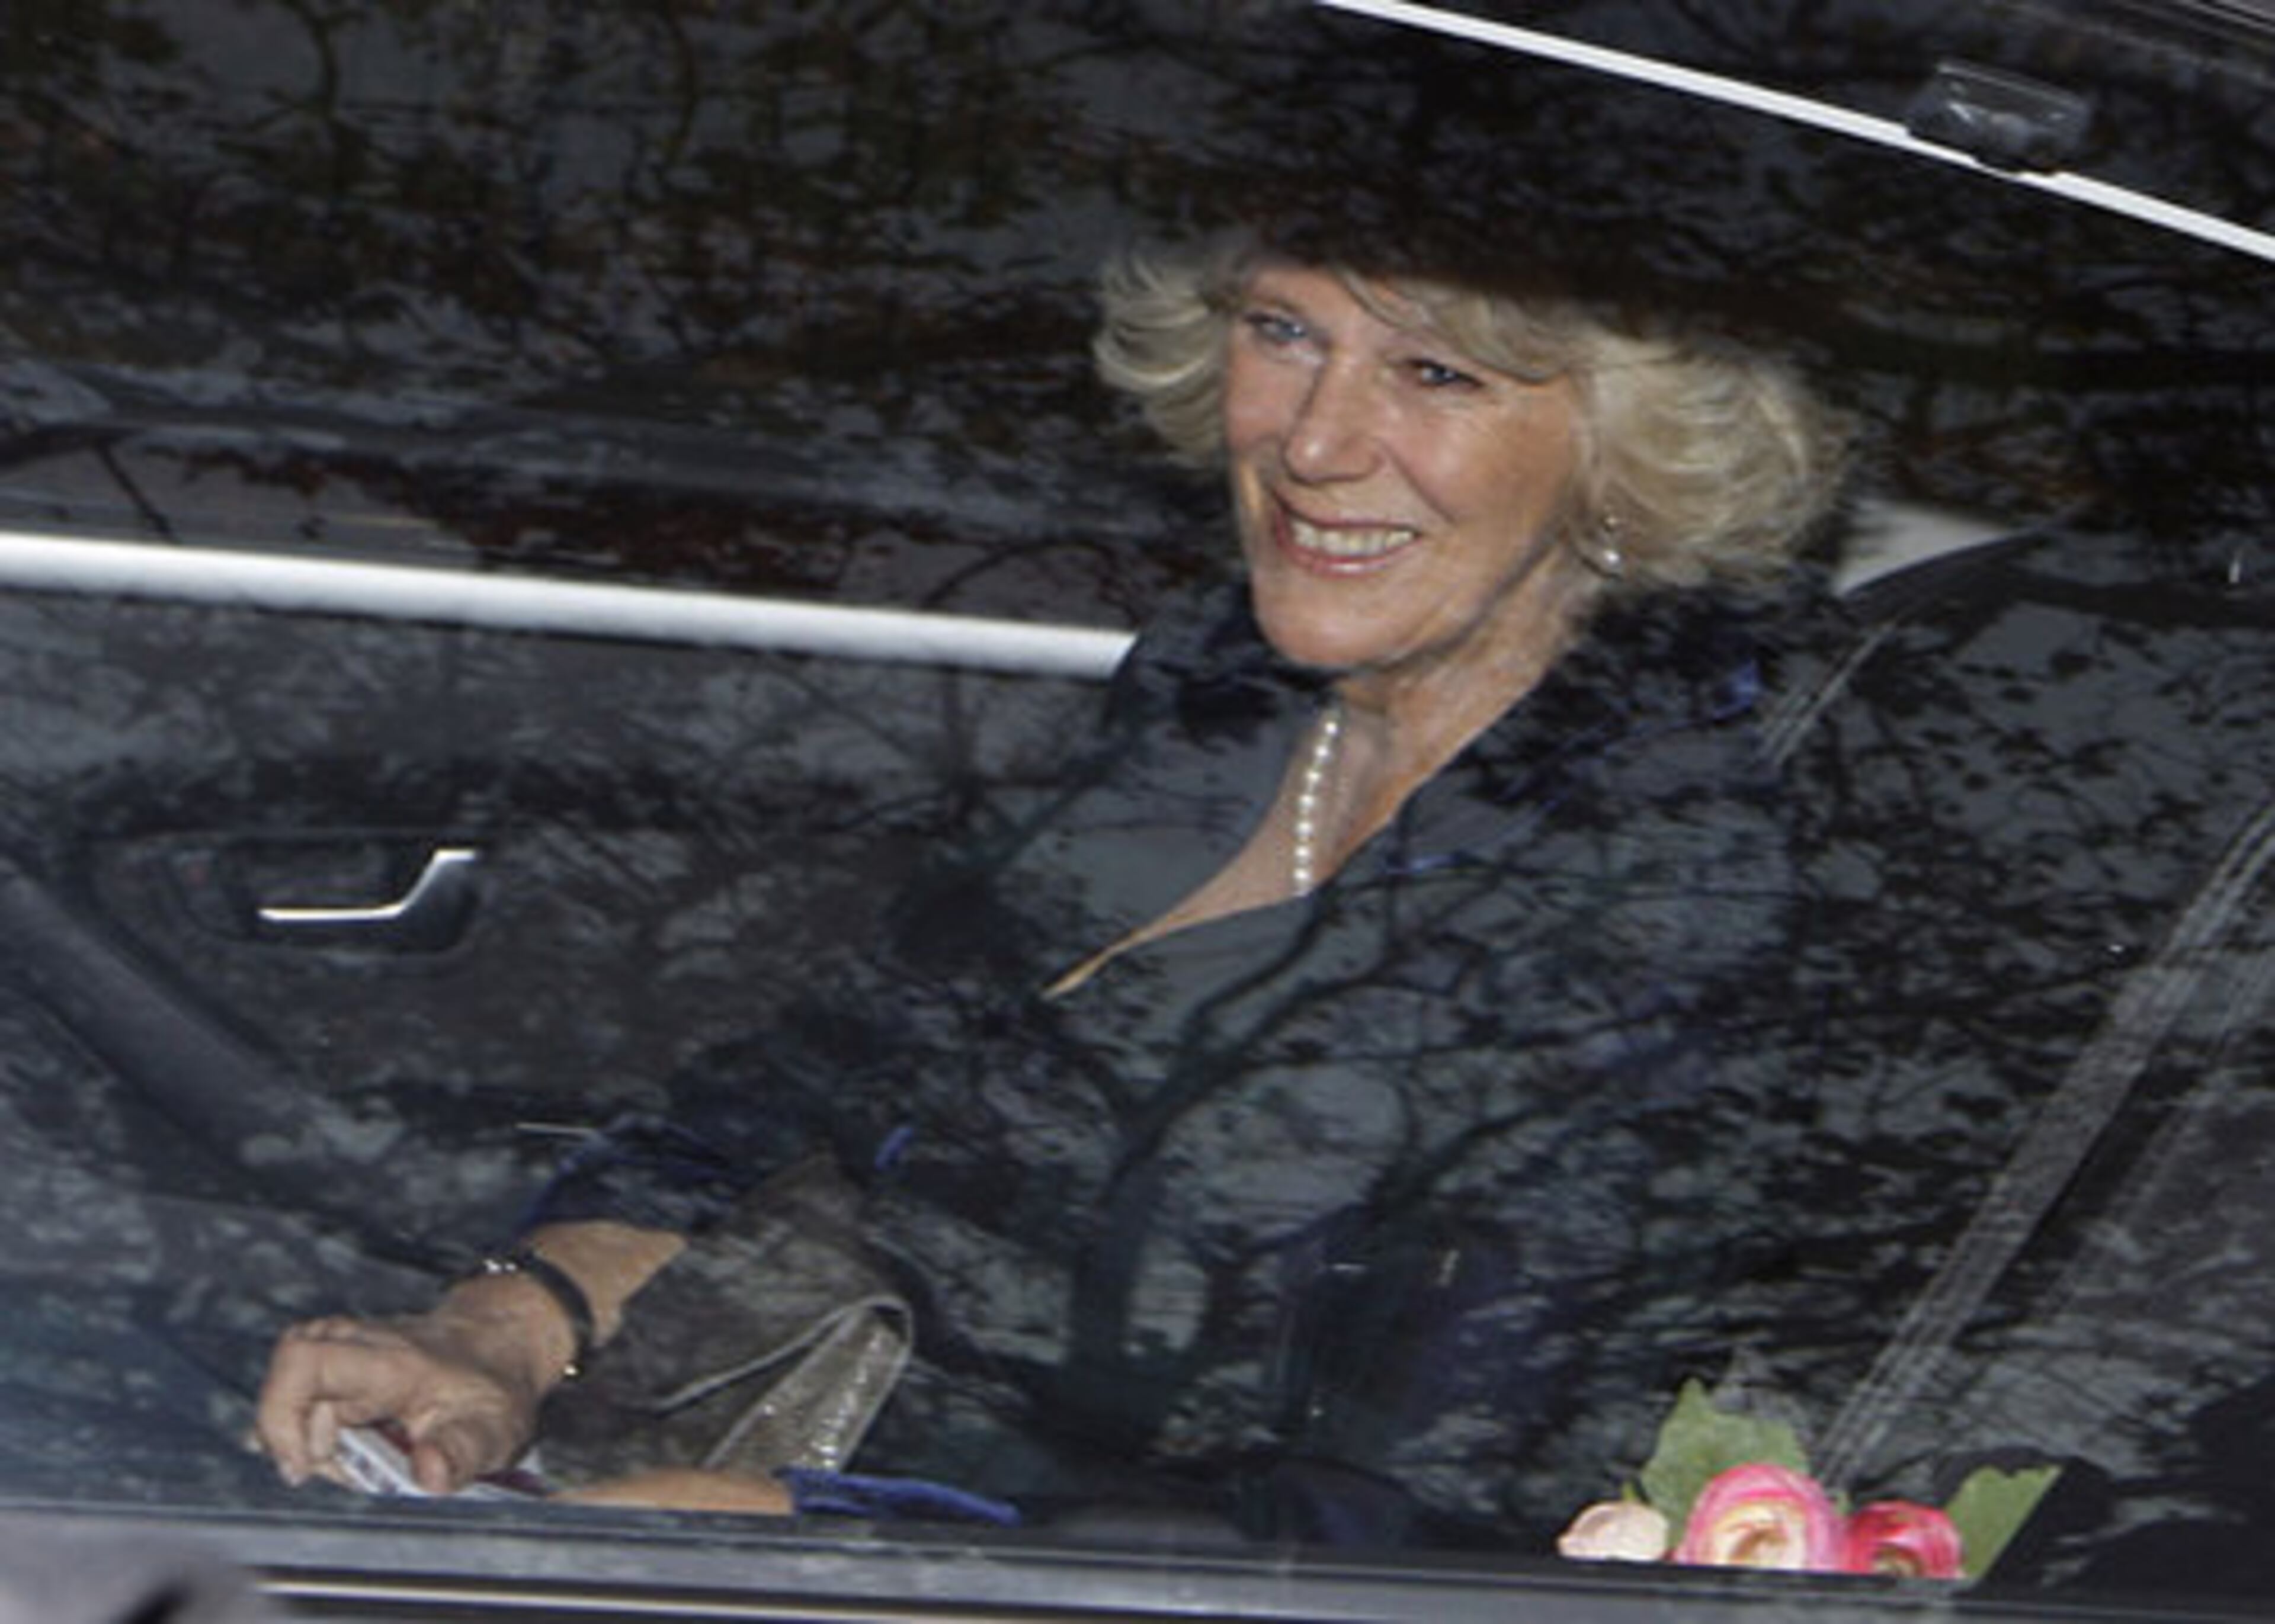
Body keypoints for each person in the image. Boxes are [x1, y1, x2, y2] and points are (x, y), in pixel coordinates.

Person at [255, 230, 1849, 1546]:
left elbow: (1406, 1514)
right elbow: (804, 1089)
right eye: (1283, 331)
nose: (1313, 442)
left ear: (1620, 448)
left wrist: (821, 1531)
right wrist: (493, 1340)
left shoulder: (1655, 889)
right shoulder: (1216, 691)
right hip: (730, 1445)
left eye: (1434, 373)